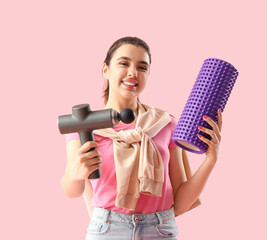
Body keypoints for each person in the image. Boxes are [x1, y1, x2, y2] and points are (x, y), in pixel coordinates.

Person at [60, 36, 223, 240]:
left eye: (142, 67)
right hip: (107, 229)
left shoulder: (165, 124)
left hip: (160, 230)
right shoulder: (85, 126)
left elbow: (180, 203)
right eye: (124, 63)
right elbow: (71, 189)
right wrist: (76, 173)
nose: (133, 73)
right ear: (105, 70)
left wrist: (210, 160)